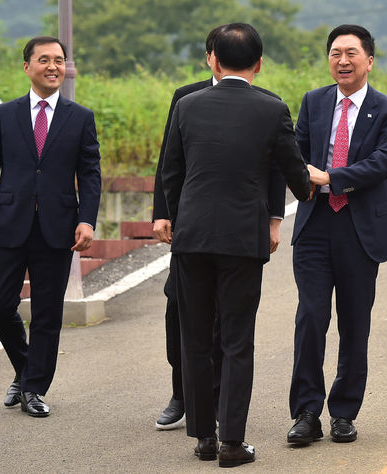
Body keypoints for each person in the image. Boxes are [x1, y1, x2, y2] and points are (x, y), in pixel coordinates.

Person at [162, 23, 311, 467]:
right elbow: (294, 174)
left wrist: (184, 215)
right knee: (236, 340)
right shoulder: (271, 109)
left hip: (191, 240)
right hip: (242, 242)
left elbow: (172, 173)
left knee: (195, 339)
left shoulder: (187, 106)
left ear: (214, 60)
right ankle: (232, 444)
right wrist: (308, 186)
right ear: (259, 64)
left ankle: (204, 439)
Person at [287, 24, 387, 445]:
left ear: (369, 60)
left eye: (351, 53)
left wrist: (330, 177)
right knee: (311, 318)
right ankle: (305, 412)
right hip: (315, 227)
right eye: (335, 53)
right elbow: (296, 152)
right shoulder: (314, 102)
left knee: (355, 325)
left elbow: (381, 164)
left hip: (360, 231)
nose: (343, 60)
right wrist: (303, 176)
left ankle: (343, 412)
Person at [0, 36, 102, 418]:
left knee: (48, 313)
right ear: (27, 66)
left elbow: (90, 174)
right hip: (8, 224)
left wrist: (87, 219)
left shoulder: (80, 117)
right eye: (44, 60)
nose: (53, 66)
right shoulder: (4, 115)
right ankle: (26, 366)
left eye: (59, 60)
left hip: (58, 227)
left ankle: (33, 388)